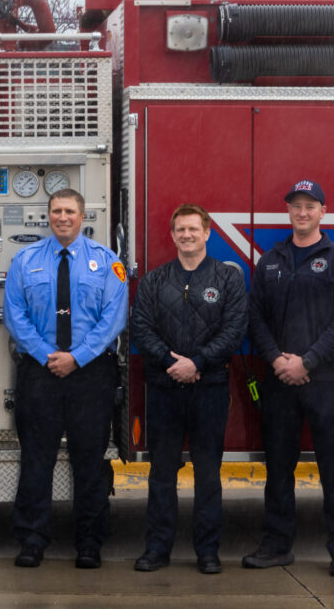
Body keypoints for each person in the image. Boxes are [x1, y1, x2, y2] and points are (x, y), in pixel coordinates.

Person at [4, 188, 128, 569]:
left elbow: (114, 318)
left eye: (69, 211)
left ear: (82, 215)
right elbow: (14, 315)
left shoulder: (108, 262)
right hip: (39, 373)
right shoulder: (25, 260)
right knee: (36, 460)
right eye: (56, 211)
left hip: (90, 374)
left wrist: (76, 357)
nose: (62, 217)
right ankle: (32, 540)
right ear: (47, 216)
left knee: (89, 461)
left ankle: (89, 543)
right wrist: (48, 356)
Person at [245, 179, 334, 577]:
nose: (302, 212)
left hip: (324, 381)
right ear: (289, 211)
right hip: (279, 381)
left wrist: (306, 362)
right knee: (278, 468)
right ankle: (277, 545)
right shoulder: (271, 260)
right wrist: (277, 360)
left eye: (310, 206)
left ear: (322, 212)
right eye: (296, 205)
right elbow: (255, 317)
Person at [130, 204, 247, 574]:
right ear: (172, 234)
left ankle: (208, 552)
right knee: (161, 473)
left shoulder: (228, 279)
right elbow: (141, 327)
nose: (187, 235)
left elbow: (234, 329)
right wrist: (171, 362)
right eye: (180, 229)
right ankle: (157, 550)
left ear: (208, 232)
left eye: (194, 229)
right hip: (164, 389)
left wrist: (196, 362)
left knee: (209, 475)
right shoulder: (154, 280)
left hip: (210, 388)